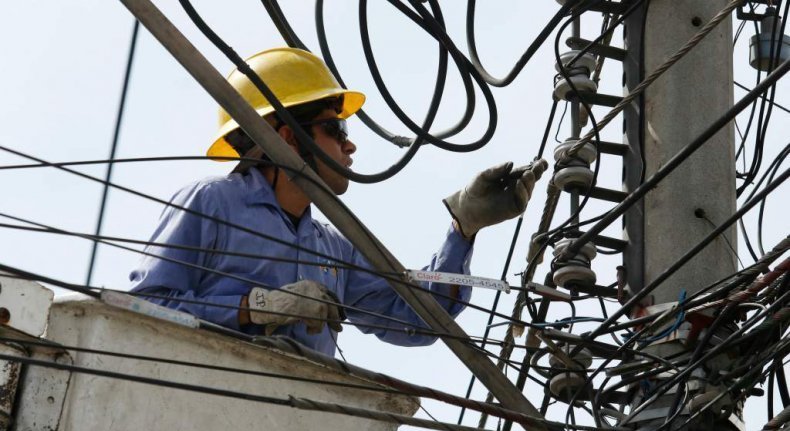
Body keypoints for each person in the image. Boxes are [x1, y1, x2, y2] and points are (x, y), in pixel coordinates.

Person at [129, 48, 547, 357]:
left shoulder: (334, 244)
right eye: (335, 127)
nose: (350, 144)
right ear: (288, 135)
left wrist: (464, 227)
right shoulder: (213, 203)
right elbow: (144, 308)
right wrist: (255, 308)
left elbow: (416, 319)